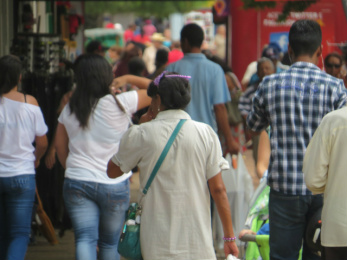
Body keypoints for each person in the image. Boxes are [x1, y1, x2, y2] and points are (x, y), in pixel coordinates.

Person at [107, 72, 239, 260]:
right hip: (197, 240)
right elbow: (218, 189)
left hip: (156, 240)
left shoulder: (141, 133)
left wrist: (139, 127)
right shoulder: (206, 133)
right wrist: (229, 237)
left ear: (158, 99)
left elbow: (112, 171)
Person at [246, 19, 347, 260]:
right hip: (323, 191)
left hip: (284, 190)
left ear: (289, 51)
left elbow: (254, 125)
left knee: (282, 256)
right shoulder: (335, 88)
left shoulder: (269, 85)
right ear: (320, 51)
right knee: (319, 254)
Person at [55, 54, 151, 260]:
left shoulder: (70, 107)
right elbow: (159, 88)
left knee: (84, 239)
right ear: (106, 76)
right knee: (110, 242)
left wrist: (73, 169)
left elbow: (60, 147)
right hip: (114, 183)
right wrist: (128, 79)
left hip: (77, 180)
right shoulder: (121, 103)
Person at [0, 55, 48, 260]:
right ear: (19, 78)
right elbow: (43, 142)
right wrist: (36, 158)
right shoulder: (30, 102)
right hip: (22, 174)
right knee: (19, 233)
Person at [166, 23, 239, 154]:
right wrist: (229, 140)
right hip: (206, 137)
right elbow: (219, 108)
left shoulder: (172, 69)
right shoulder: (215, 70)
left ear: (185, 41)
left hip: (177, 137)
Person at [303, 106, 347, 260]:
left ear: (345, 82)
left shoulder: (333, 121)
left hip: (338, 231)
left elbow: (313, 179)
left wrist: (333, 184)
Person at [239, 57, 275, 164]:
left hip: (276, 130)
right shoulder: (252, 90)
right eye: (261, 69)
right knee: (260, 160)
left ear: (273, 70)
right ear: (257, 73)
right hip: (259, 131)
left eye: (267, 68)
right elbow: (242, 106)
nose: (264, 71)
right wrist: (251, 121)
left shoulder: (279, 87)